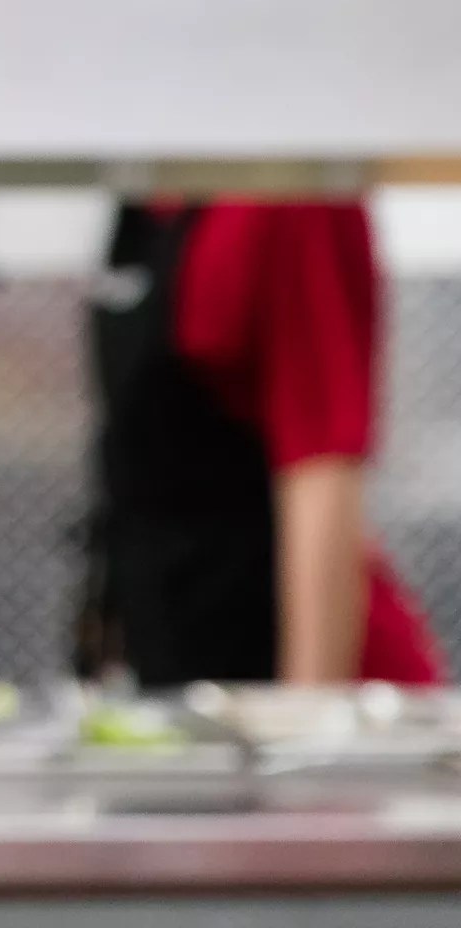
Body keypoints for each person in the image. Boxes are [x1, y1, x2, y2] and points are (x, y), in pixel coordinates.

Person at [86, 198, 444, 688]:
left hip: (293, 679)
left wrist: (309, 720)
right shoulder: (142, 202)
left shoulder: (296, 198)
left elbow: (324, 469)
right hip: (186, 675)